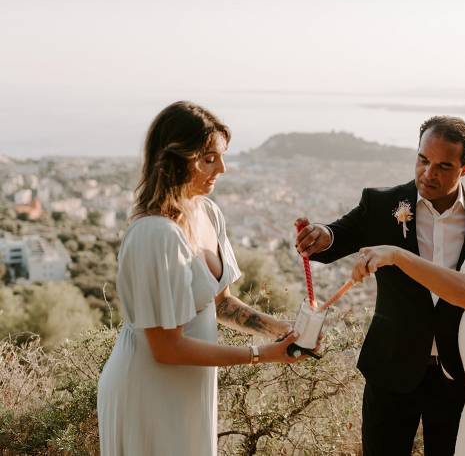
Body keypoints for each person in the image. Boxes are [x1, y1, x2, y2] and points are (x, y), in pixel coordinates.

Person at [295, 116, 465, 456]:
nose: (428, 173)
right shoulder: (379, 204)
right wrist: (320, 234)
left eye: (443, 165)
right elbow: (337, 235)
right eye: (422, 160)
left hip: (462, 374)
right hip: (392, 366)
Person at [98, 101, 311, 456]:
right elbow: (166, 348)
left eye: (221, 157)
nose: (222, 168)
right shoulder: (154, 234)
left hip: (191, 383)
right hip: (149, 386)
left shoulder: (208, 212)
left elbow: (221, 302)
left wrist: (279, 329)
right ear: (174, 158)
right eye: (209, 158)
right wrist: (262, 355)